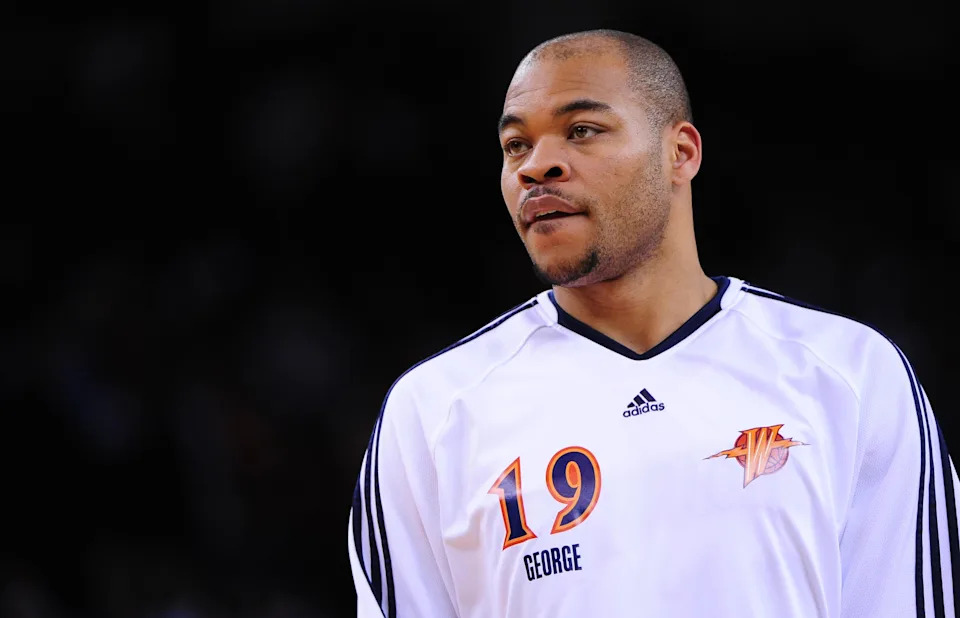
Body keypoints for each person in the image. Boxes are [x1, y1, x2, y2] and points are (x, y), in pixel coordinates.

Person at [346, 28, 959, 617]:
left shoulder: (850, 372)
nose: (537, 166)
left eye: (581, 131)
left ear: (680, 153)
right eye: (516, 146)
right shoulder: (432, 411)